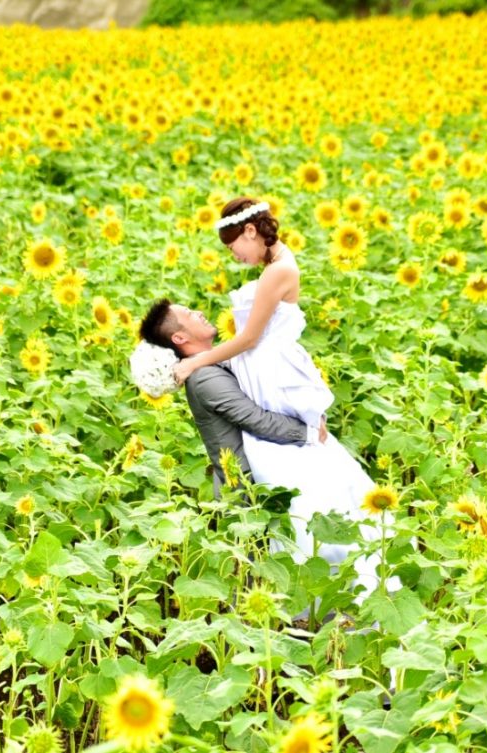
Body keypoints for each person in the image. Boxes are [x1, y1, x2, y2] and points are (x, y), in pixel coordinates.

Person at [170, 197, 398, 602]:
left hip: (272, 372)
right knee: (288, 465)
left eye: (232, 245)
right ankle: (301, 573)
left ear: (251, 232)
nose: (233, 255)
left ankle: (319, 575)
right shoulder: (274, 265)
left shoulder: (279, 271)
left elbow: (250, 338)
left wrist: (195, 363)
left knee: (289, 462)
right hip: (264, 369)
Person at [138, 299, 326, 499]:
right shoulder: (204, 378)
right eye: (190, 313)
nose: (199, 311)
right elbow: (257, 420)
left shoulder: (209, 365)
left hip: (261, 480)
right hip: (247, 494)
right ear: (179, 338)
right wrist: (311, 433)